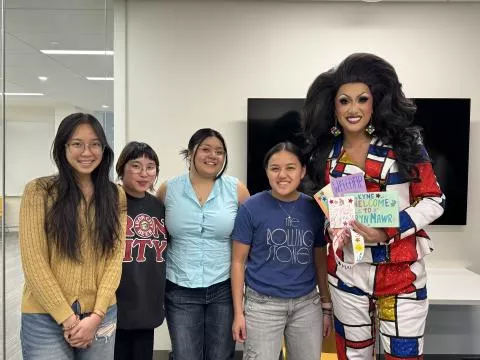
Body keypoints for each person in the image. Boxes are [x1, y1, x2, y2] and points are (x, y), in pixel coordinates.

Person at [302, 53, 445, 359]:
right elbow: (333, 208)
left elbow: (434, 200)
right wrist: (336, 226)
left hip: (400, 274)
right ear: (333, 106)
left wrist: (386, 231)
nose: (353, 109)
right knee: (352, 354)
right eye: (344, 101)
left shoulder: (404, 144)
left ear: (375, 101)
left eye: (362, 99)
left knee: (402, 355)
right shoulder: (328, 154)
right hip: (346, 272)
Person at [19, 113, 127, 359]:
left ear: (104, 148)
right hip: (44, 316)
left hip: (101, 315)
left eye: (95, 144)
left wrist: (96, 315)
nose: (87, 152)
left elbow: (114, 259)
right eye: (77, 144)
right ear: (63, 147)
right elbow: (34, 262)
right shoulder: (39, 191)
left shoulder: (115, 195)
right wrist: (68, 320)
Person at [231, 141, 332, 360]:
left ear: (302, 171)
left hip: (307, 305)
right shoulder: (250, 208)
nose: (282, 175)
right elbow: (238, 262)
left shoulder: (314, 208)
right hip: (262, 307)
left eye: (290, 168)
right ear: (266, 171)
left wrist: (326, 306)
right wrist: (238, 313)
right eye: (275, 168)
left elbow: (320, 260)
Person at [156, 128, 250, 360]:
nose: (213, 155)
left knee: (221, 355)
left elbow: (253, 234)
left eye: (219, 151)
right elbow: (155, 235)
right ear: (190, 153)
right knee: (186, 355)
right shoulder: (169, 189)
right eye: (205, 149)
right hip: (179, 287)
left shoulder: (236, 188)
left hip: (224, 287)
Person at [114, 142, 167, 360]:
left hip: (148, 301)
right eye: (136, 166)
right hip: (114, 303)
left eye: (151, 167)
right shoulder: (109, 201)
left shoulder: (159, 206)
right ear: (122, 168)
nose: (144, 173)